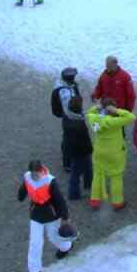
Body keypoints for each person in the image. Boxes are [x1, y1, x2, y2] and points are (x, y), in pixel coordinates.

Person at [18, 160, 76, 272]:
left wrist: (65, 217)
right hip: (35, 214)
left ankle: (66, 247)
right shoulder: (28, 177)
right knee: (35, 243)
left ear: (41, 171)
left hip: (51, 215)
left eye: (36, 174)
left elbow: (60, 201)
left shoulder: (50, 181)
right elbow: (25, 187)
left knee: (54, 237)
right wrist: (21, 195)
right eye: (32, 174)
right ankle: (34, 271)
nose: (34, 176)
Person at [85, 96, 133, 211]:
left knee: (97, 175)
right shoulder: (114, 122)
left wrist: (97, 107)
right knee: (116, 177)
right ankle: (117, 202)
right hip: (114, 152)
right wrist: (116, 110)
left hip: (99, 151)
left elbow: (88, 113)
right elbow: (131, 117)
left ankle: (95, 200)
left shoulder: (93, 118)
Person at [53, 68, 90, 200]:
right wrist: (80, 116)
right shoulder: (64, 91)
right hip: (71, 117)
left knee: (67, 139)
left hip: (70, 117)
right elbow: (67, 109)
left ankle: (68, 161)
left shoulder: (66, 86)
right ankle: (68, 162)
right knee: (69, 140)